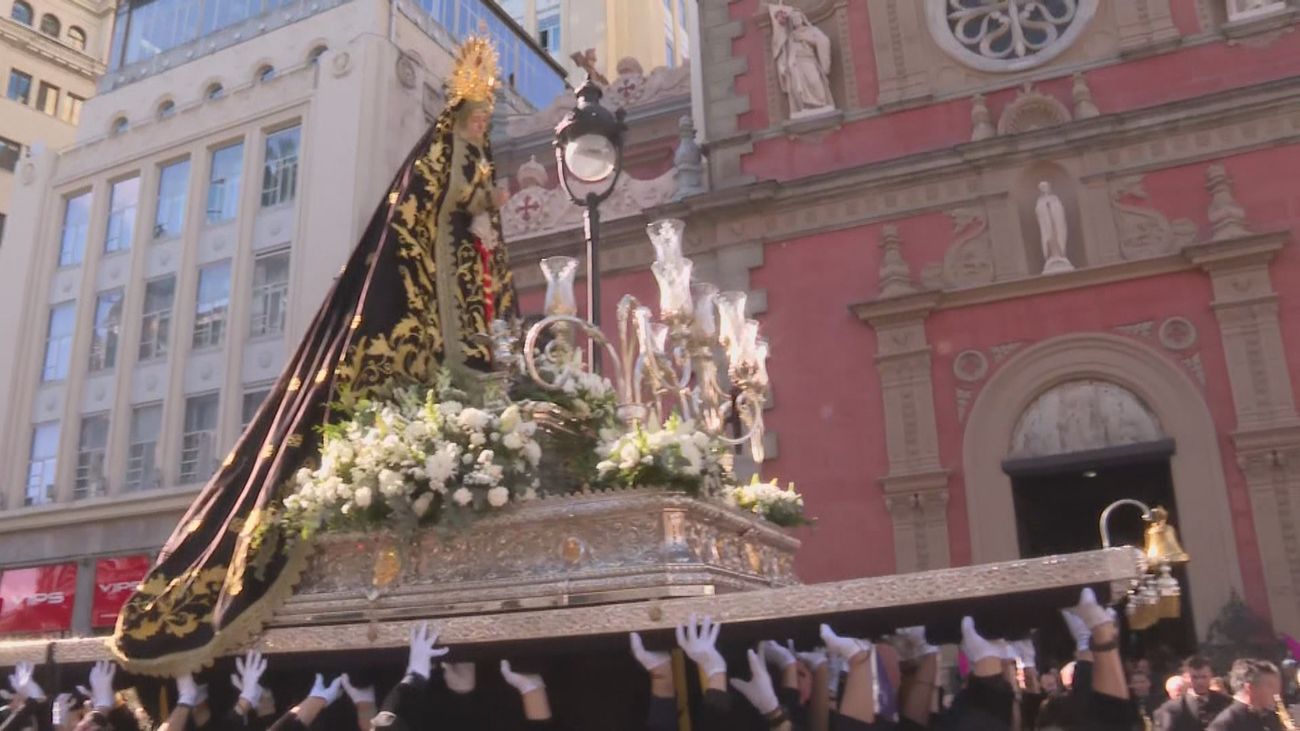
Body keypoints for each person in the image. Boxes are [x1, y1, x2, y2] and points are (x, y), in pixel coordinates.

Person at [111, 33, 520, 677]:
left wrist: (487, 211)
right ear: (455, 119)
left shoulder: (475, 160)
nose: (480, 129)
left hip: (461, 287)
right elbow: (437, 202)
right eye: (474, 118)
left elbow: (477, 213)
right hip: (434, 281)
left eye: (484, 121)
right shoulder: (439, 159)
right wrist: (479, 202)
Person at [1156, 657, 1232, 731]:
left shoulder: (1225, 703)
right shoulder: (1173, 708)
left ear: (1211, 676)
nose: (1200, 682)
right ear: (1185, 678)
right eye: (1194, 677)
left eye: (1204, 677)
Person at [1206, 659, 1284, 731]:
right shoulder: (1225, 724)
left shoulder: (1270, 718)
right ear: (1249, 688)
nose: (1276, 692)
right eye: (1270, 686)